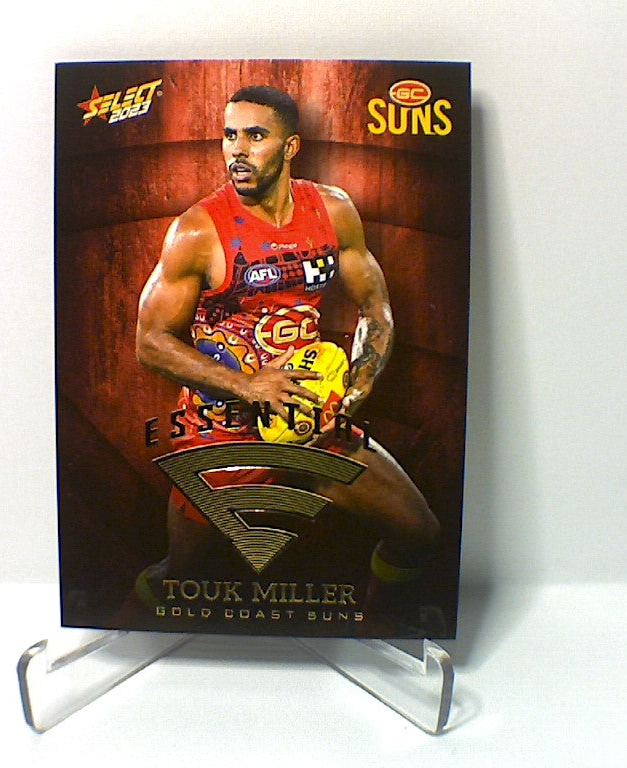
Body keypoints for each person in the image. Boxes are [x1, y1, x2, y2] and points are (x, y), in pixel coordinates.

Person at [133, 85, 439, 630]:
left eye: (255, 135)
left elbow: (376, 307)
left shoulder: (333, 211)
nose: (237, 149)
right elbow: (150, 340)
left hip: (310, 417)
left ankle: (379, 631)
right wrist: (248, 386)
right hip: (223, 431)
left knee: (419, 532)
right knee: (182, 577)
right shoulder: (198, 230)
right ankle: (136, 620)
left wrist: (357, 386)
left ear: (291, 146)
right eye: (230, 135)